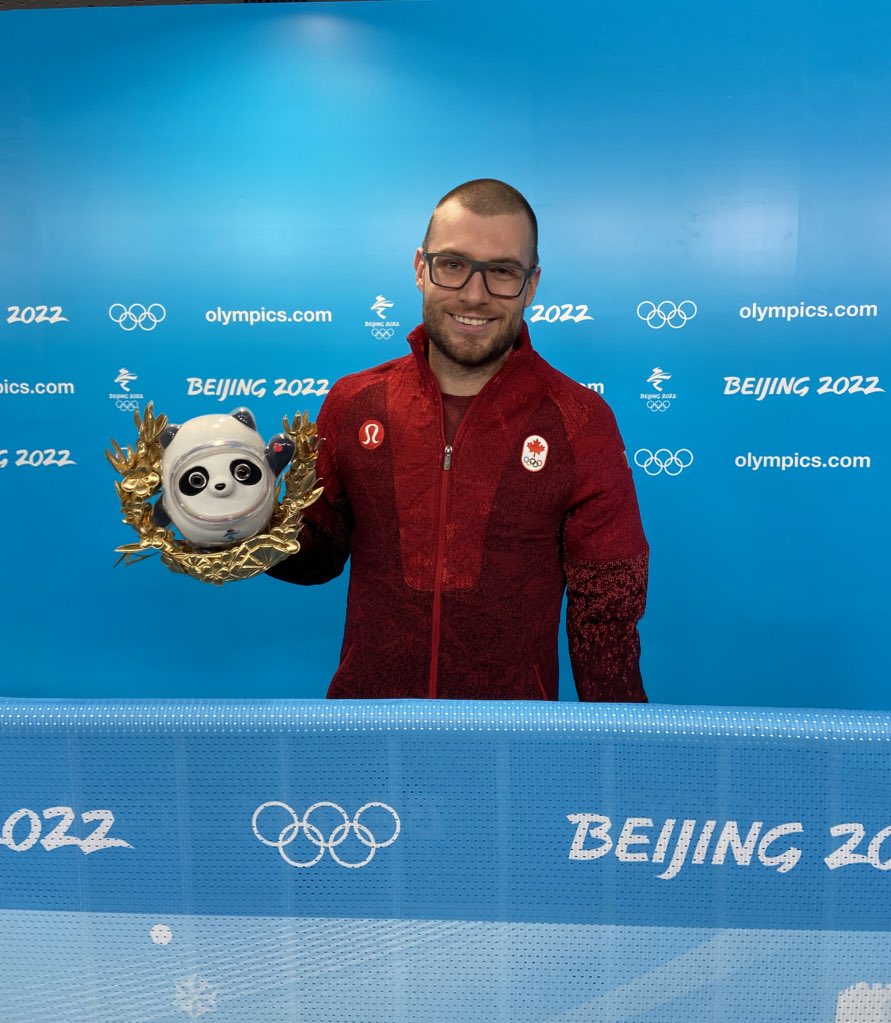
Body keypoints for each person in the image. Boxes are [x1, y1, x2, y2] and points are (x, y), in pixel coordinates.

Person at [268, 179, 648, 701]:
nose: (474, 294)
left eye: (502, 272)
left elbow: (607, 617)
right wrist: (243, 521)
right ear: (420, 268)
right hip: (370, 740)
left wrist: (619, 760)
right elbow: (317, 558)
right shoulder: (354, 403)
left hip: (514, 751)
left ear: (532, 284)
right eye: (453, 264)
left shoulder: (580, 420)